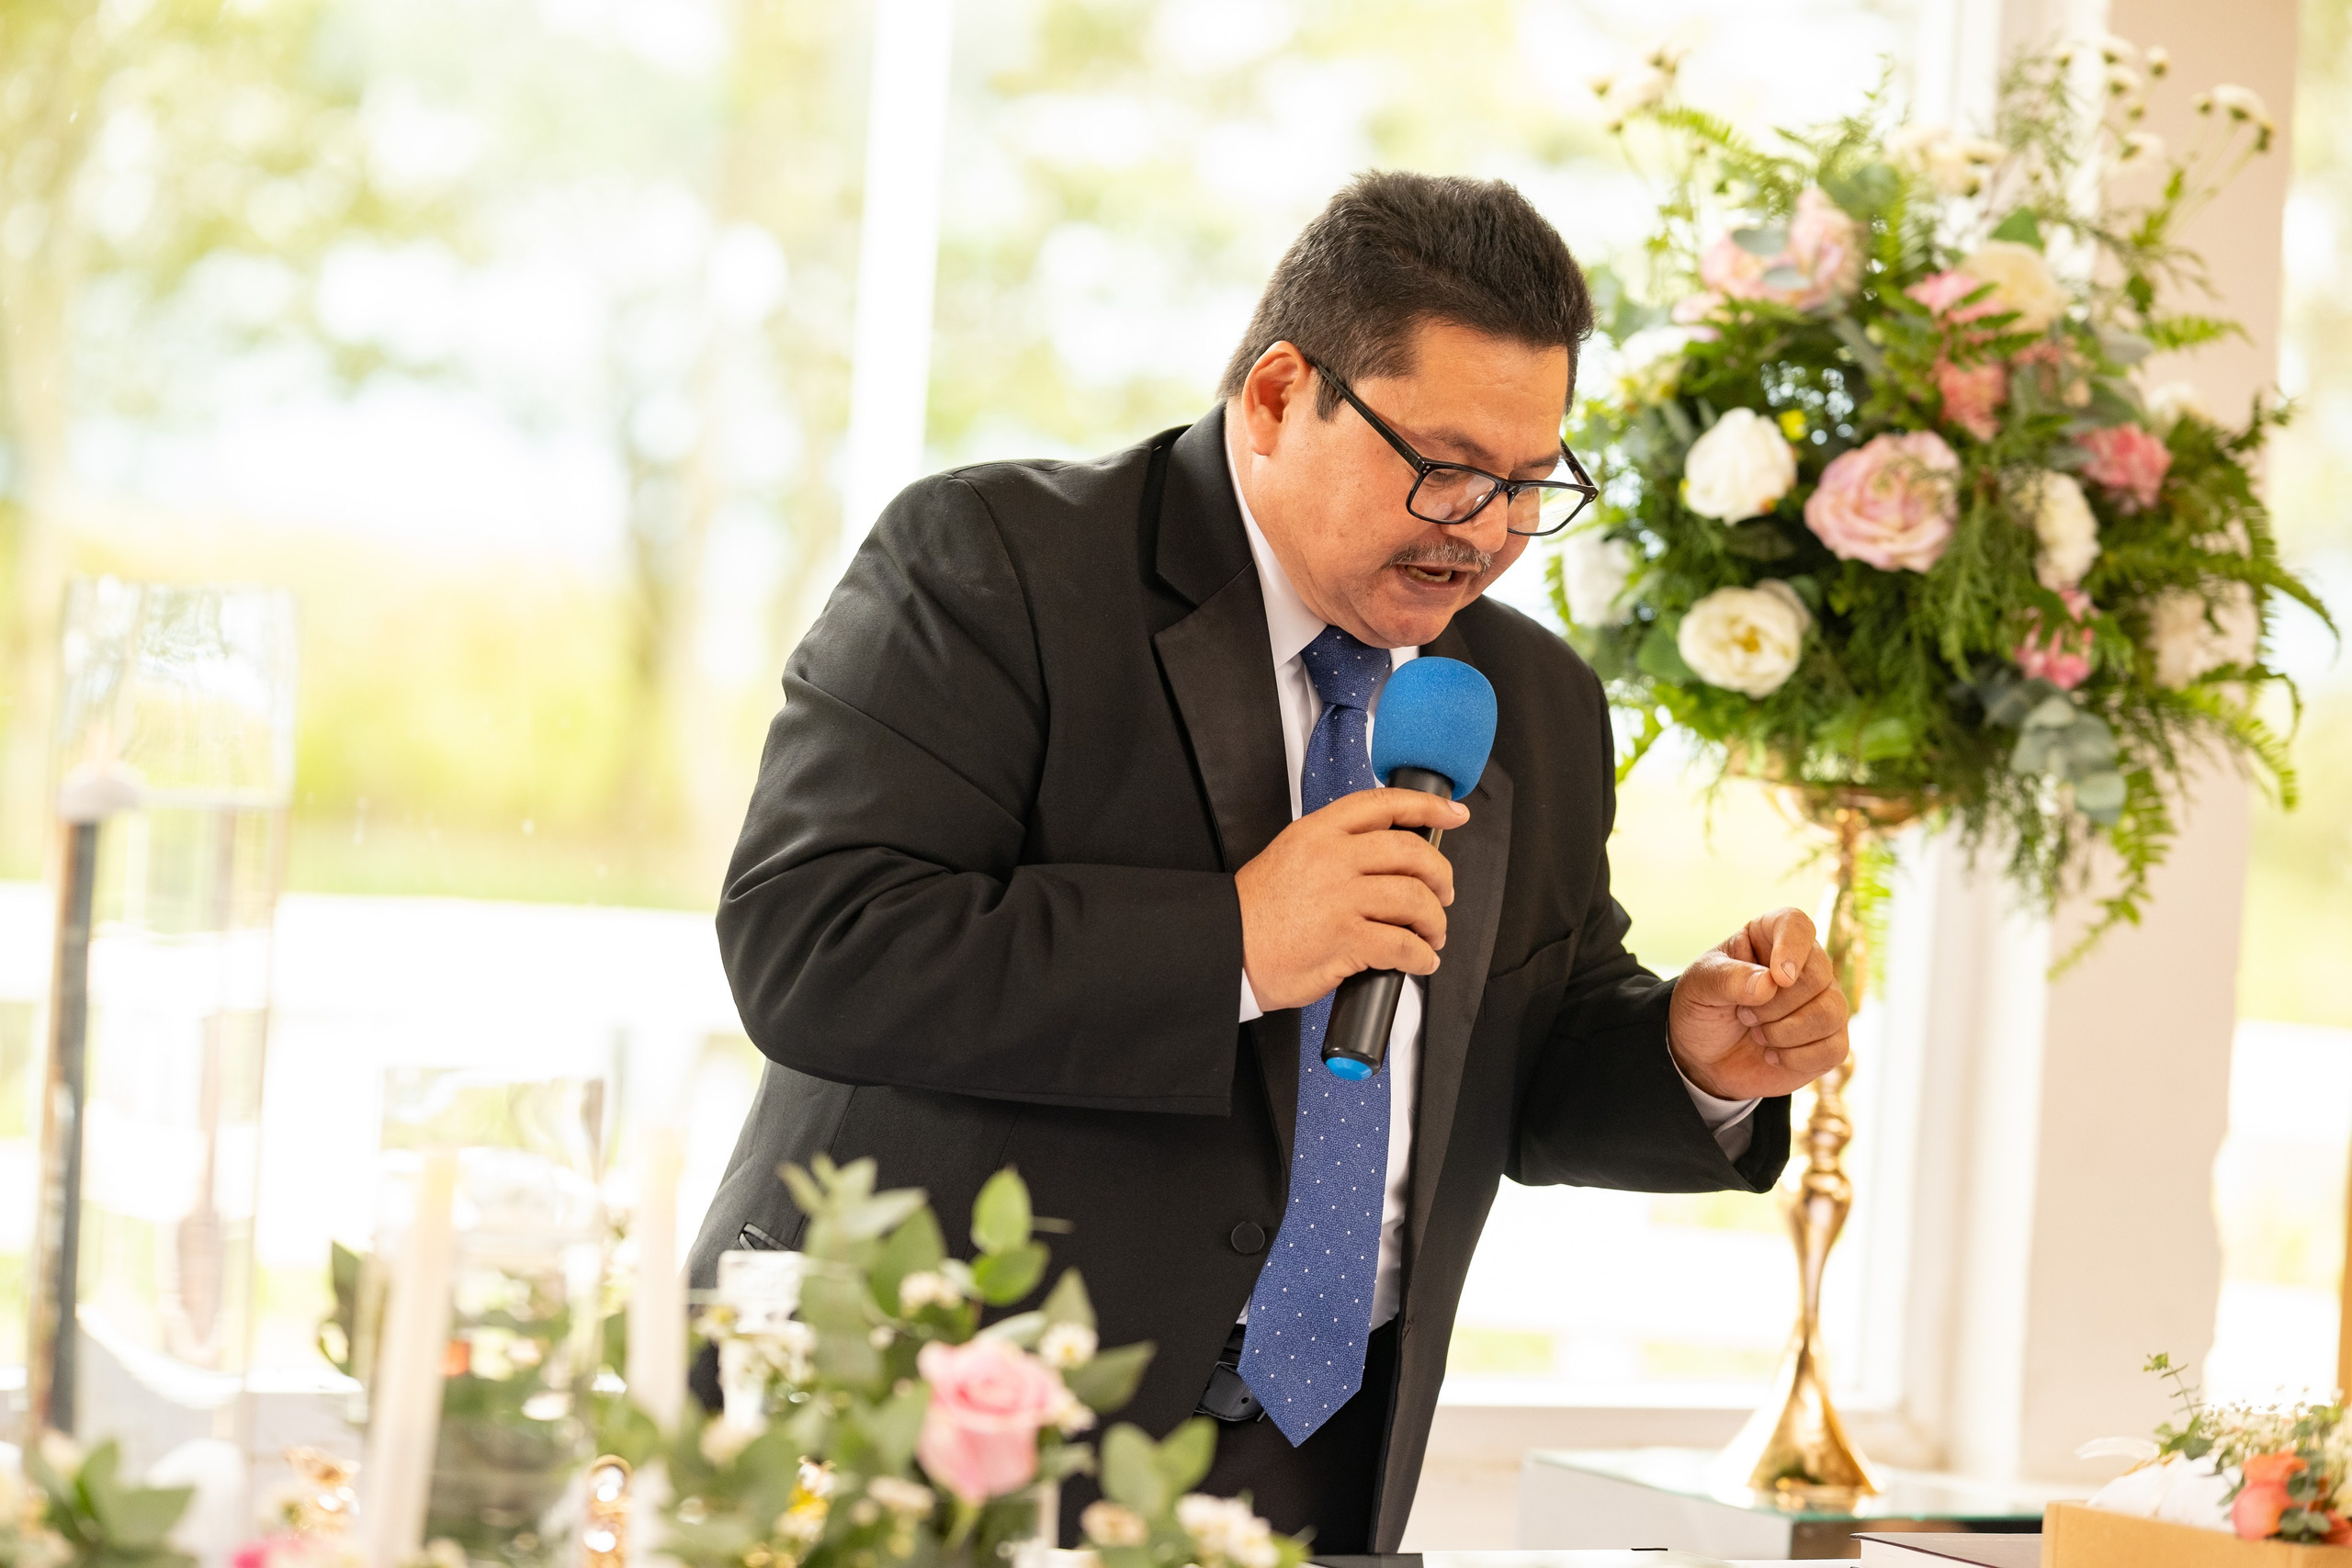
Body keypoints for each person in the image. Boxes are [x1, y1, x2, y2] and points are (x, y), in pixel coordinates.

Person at [689, 170, 1851, 1551]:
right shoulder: (996, 563)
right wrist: (1232, 942)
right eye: (1444, 465)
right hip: (930, 1438)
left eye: (1530, 484)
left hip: (1319, 1473)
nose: (1481, 529)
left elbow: (1510, 1067)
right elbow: (814, 946)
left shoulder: (1529, 696)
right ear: (1278, 394)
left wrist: (1687, 1057)